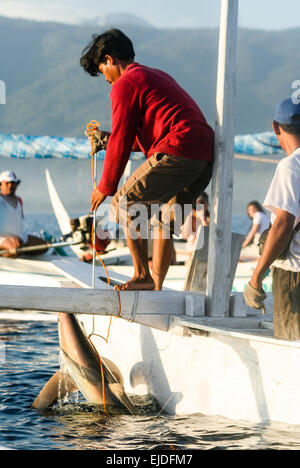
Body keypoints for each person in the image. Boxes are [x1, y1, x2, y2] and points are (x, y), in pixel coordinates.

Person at [80, 29, 214, 290]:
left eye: (102, 71)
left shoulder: (125, 83)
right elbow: (137, 138)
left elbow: (122, 138)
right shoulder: (153, 74)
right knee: (165, 220)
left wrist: (105, 187)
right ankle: (156, 286)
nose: (105, 79)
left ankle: (142, 275)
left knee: (124, 203)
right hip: (202, 154)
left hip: (180, 148)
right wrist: (108, 139)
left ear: (109, 59)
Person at [244, 98, 300, 340]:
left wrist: (256, 277)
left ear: (276, 127)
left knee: (292, 345)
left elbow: (283, 224)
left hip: (294, 272)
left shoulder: (291, 166)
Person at [0, 170, 48, 257]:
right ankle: (11, 251)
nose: (11, 185)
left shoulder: (19, 201)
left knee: (44, 246)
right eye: (7, 183)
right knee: (15, 250)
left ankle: (18, 250)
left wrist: (16, 238)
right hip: (2, 237)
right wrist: (9, 238)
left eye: (14, 183)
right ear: (0, 185)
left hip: (18, 236)